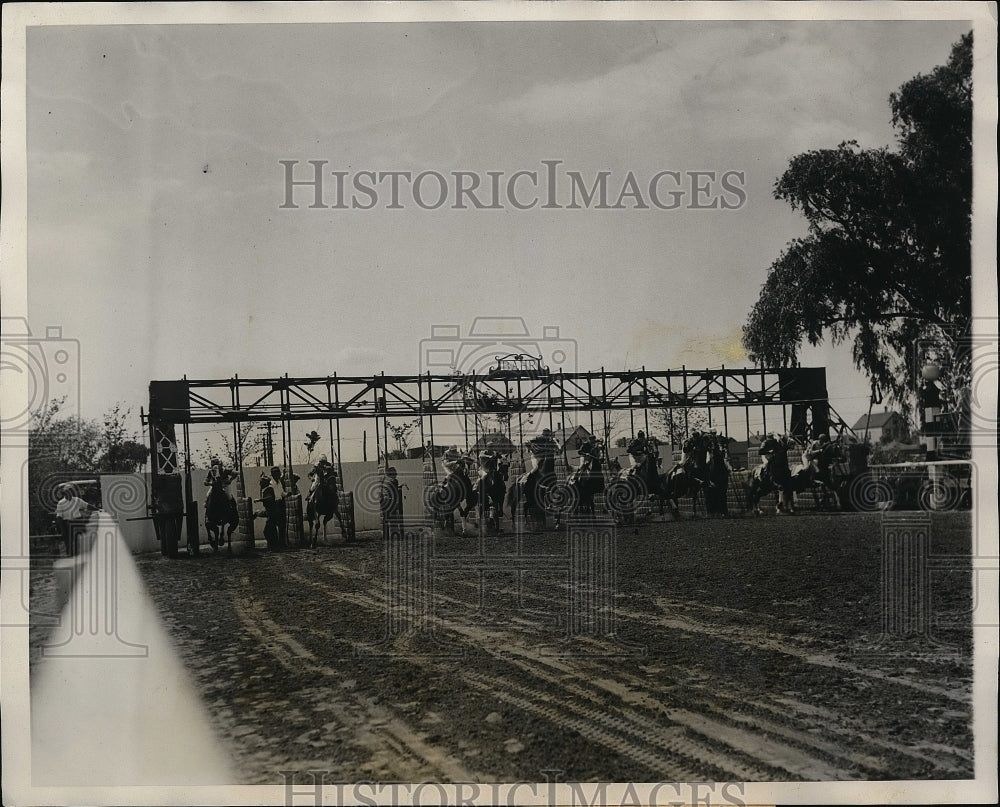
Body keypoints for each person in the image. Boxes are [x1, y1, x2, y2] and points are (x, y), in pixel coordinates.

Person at [54, 484, 90, 556]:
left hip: (78, 522)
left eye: (71, 490)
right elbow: (59, 517)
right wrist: (62, 530)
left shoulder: (77, 500)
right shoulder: (61, 503)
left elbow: (87, 505)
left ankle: (82, 557)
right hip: (68, 524)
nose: (70, 492)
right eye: (68, 491)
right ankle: (71, 559)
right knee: (69, 543)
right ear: (64, 493)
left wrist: (99, 509)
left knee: (81, 541)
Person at [379, 466, 404, 539]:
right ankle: (395, 535)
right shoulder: (394, 481)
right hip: (391, 502)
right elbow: (395, 491)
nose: (396, 475)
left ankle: (385, 536)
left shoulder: (384, 480)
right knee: (393, 519)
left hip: (384, 502)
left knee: (385, 520)